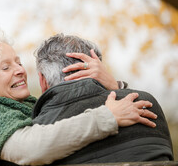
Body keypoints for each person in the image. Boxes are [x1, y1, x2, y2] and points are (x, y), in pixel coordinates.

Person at [0, 28, 157, 166]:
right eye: (5, 67)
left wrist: (114, 86)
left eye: (18, 62)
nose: (20, 70)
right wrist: (107, 117)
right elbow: (33, 148)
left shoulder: (24, 107)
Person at [33, 33, 174, 164]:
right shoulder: (143, 103)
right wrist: (116, 88)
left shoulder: (38, 129)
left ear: (43, 80)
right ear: (99, 68)